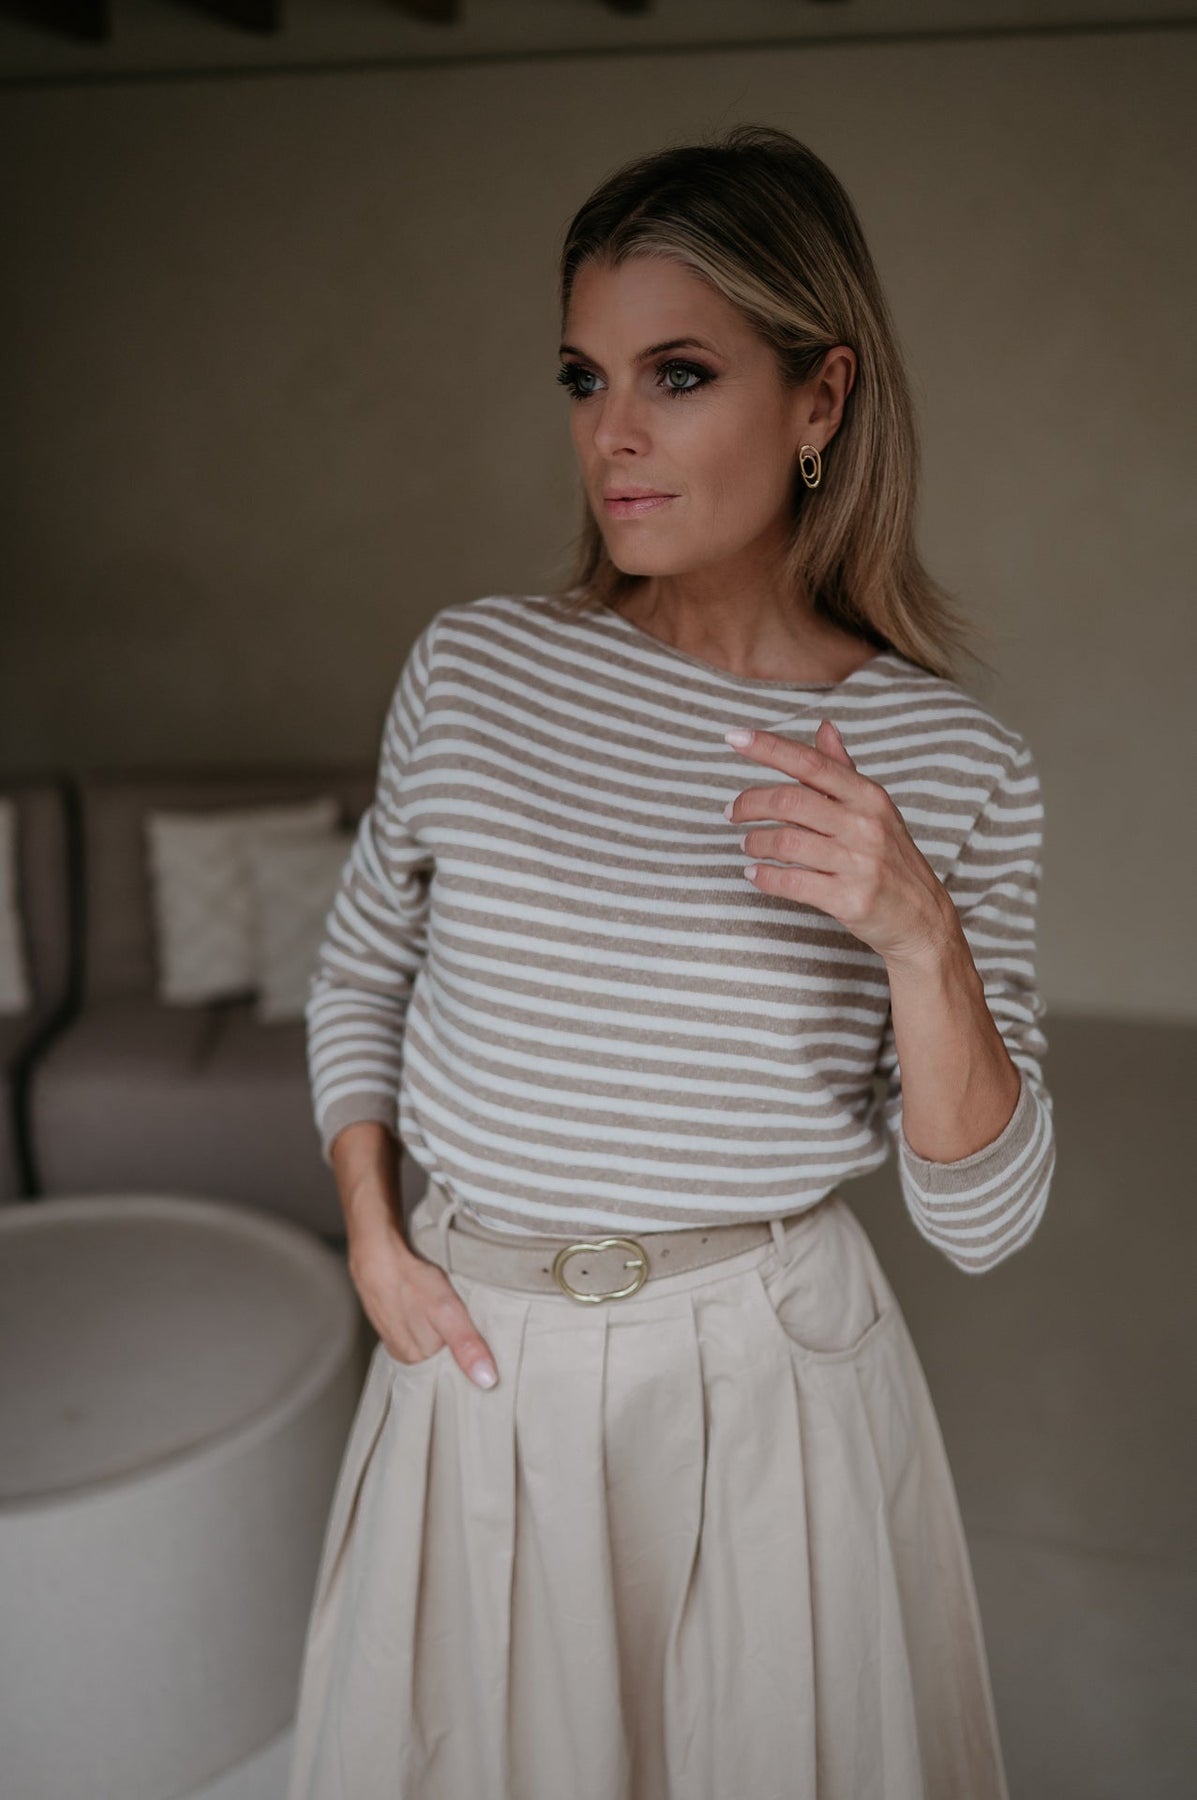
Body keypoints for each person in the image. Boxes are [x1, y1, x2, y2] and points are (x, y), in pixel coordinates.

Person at [285, 124, 1054, 1800]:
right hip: (474, 1357)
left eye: (677, 374)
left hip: (770, 1383)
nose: (611, 435)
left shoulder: (950, 762)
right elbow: (358, 973)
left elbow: (985, 1223)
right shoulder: (473, 670)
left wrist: (918, 935)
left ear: (820, 399)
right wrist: (371, 1232)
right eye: (584, 379)